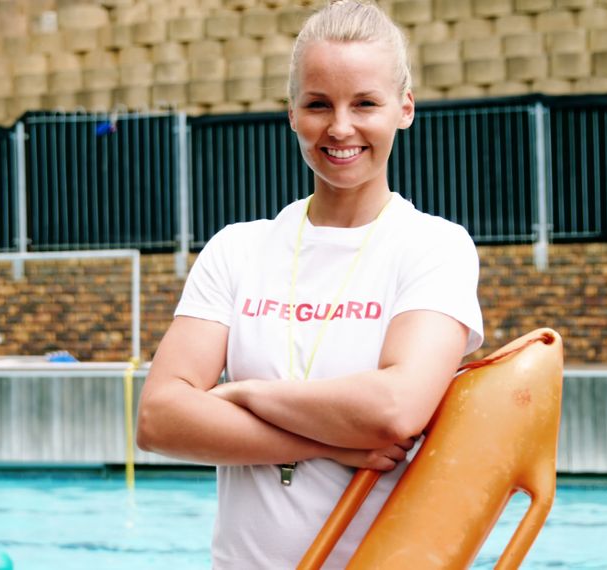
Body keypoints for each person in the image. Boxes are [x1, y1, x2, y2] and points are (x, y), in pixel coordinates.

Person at [137, 1, 484, 567]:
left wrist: (244, 395)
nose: (341, 127)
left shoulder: (435, 247)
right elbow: (160, 419)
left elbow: (395, 410)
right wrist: (329, 441)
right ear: (292, 113)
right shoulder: (238, 249)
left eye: (365, 103)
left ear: (404, 108)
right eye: (319, 104)